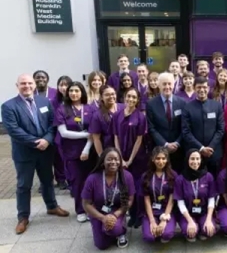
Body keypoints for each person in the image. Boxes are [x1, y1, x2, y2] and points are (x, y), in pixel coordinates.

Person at [2, 74, 69, 234]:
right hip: (25, 154)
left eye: (29, 83)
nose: (27, 86)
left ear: (34, 85)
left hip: (45, 151)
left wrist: (46, 140)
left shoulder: (44, 101)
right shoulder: (8, 106)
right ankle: (23, 217)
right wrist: (36, 142)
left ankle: (52, 206)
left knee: (47, 180)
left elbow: (52, 123)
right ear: (17, 85)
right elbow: (14, 130)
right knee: (24, 185)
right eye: (23, 83)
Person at [55, 81, 95, 223]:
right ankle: (80, 210)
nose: (73, 93)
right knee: (77, 182)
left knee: (91, 182)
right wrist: (85, 135)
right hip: (71, 152)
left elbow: (94, 132)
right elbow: (64, 133)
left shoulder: (90, 108)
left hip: (90, 151)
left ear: (82, 92)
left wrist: (86, 148)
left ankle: (92, 209)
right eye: (71, 91)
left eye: (77, 91)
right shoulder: (62, 109)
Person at [81, 148, 136, 249]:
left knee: (113, 229)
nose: (113, 162)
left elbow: (130, 200)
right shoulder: (92, 178)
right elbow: (86, 203)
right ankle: (108, 229)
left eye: (116, 159)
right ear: (103, 161)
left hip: (117, 211)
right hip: (98, 211)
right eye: (109, 159)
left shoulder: (127, 176)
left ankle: (120, 231)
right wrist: (103, 218)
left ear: (120, 161)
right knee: (101, 245)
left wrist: (115, 215)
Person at [112, 87, 147, 227]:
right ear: (124, 97)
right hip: (122, 157)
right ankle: (131, 215)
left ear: (138, 100)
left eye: (134, 97)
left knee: (138, 189)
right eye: (129, 96)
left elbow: (139, 140)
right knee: (126, 189)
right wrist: (120, 158)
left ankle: (139, 215)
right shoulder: (117, 115)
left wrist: (130, 160)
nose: (131, 99)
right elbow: (115, 137)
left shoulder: (141, 117)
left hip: (137, 158)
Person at [182, 77, 225, 177]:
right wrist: (201, 148)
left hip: (214, 153)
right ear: (194, 88)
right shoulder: (187, 107)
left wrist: (210, 147)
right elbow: (186, 131)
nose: (202, 90)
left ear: (209, 88)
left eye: (204, 87)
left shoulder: (216, 106)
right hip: (195, 154)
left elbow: (221, 129)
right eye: (199, 87)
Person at [146, 72, 186, 173]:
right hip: (159, 150)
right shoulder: (151, 104)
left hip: (179, 150)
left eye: (169, 84)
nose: (167, 87)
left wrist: (177, 143)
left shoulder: (182, 103)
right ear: (159, 85)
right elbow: (151, 128)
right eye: (164, 84)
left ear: (173, 85)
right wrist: (165, 144)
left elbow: (185, 126)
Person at [174, 149, 217, 242]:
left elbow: (211, 199)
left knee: (209, 230)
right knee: (190, 233)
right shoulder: (180, 179)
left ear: (201, 160)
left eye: (197, 159)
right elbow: (180, 203)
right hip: (187, 214)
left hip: (204, 212)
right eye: (192, 159)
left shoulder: (208, 176)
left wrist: (209, 219)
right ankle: (192, 227)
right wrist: (190, 221)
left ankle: (201, 228)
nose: (195, 162)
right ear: (187, 160)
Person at [140, 147, 177, 243]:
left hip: (166, 210)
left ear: (167, 160)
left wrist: (164, 219)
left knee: (166, 234)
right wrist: (152, 221)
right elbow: (146, 199)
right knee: (149, 237)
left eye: (163, 158)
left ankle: (165, 228)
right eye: (158, 158)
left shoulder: (173, 175)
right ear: (153, 159)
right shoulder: (146, 176)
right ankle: (151, 225)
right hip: (151, 210)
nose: (161, 161)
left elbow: (172, 199)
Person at [89, 86, 124, 156]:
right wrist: (102, 156)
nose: (111, 96)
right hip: (109, 149)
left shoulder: (124, 108)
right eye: (107, 95)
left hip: (125, 147)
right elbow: (96, 139)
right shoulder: (97, 115)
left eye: (113, 94)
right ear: (101, 97)